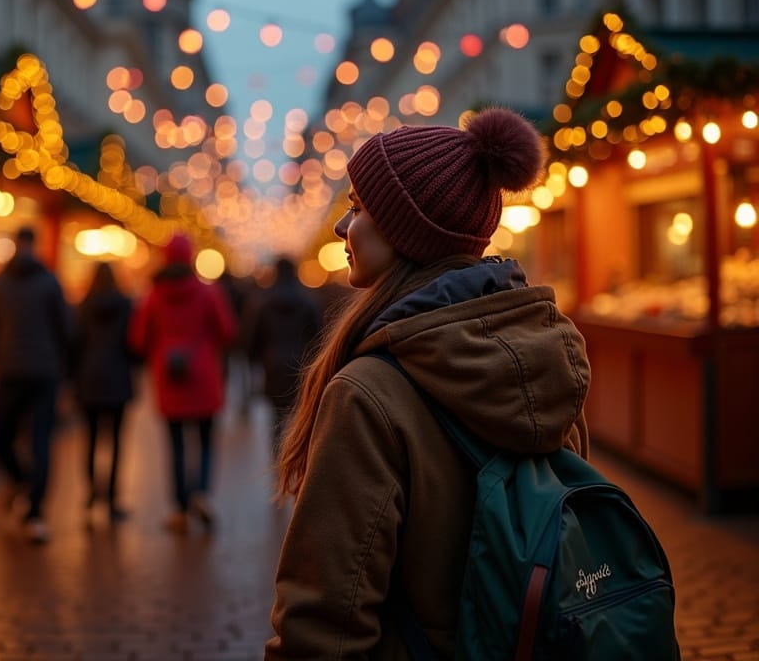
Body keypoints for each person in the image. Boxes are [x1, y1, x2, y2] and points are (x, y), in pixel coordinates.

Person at [264, 107, 592, 659]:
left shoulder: (369, 391)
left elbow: (324, 621)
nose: (343, 227)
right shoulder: (549, 353)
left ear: (404, 230)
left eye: (358, 208)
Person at [128, 232, 237, 534]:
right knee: (204, 442)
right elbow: (227, 331)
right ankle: (200, 491)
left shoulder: (153, 295)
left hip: (168, 379)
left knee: (174, 445)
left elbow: (138, 338)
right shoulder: (208, 292)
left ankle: (178, 508)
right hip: (204, 377)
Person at [0, 225, 71, 544]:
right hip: (38, 373)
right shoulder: (48, 282)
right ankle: (33, 507)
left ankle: (27, 496)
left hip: (14, 373)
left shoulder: (0, 283)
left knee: (3, 438)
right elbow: (66, 330)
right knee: (36, 441)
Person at [71, 261, 136, 522]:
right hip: (118, 379)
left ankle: (91, 493)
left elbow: (74, 343)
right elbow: (133, 344)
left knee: (90, 440)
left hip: (88, 379)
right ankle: (111, 498)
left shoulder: (83, 306)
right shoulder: (125, 305)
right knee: (117, 442)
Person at [243, 256, 322, 457]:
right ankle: (296, 458)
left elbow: (253, 338)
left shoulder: (264, 302)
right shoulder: (307, 302)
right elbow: (317, 338)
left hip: (273, 365)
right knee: (299, 416)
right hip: (300, 366)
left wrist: (254, 361)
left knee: (276, 417)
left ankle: (278, 461)